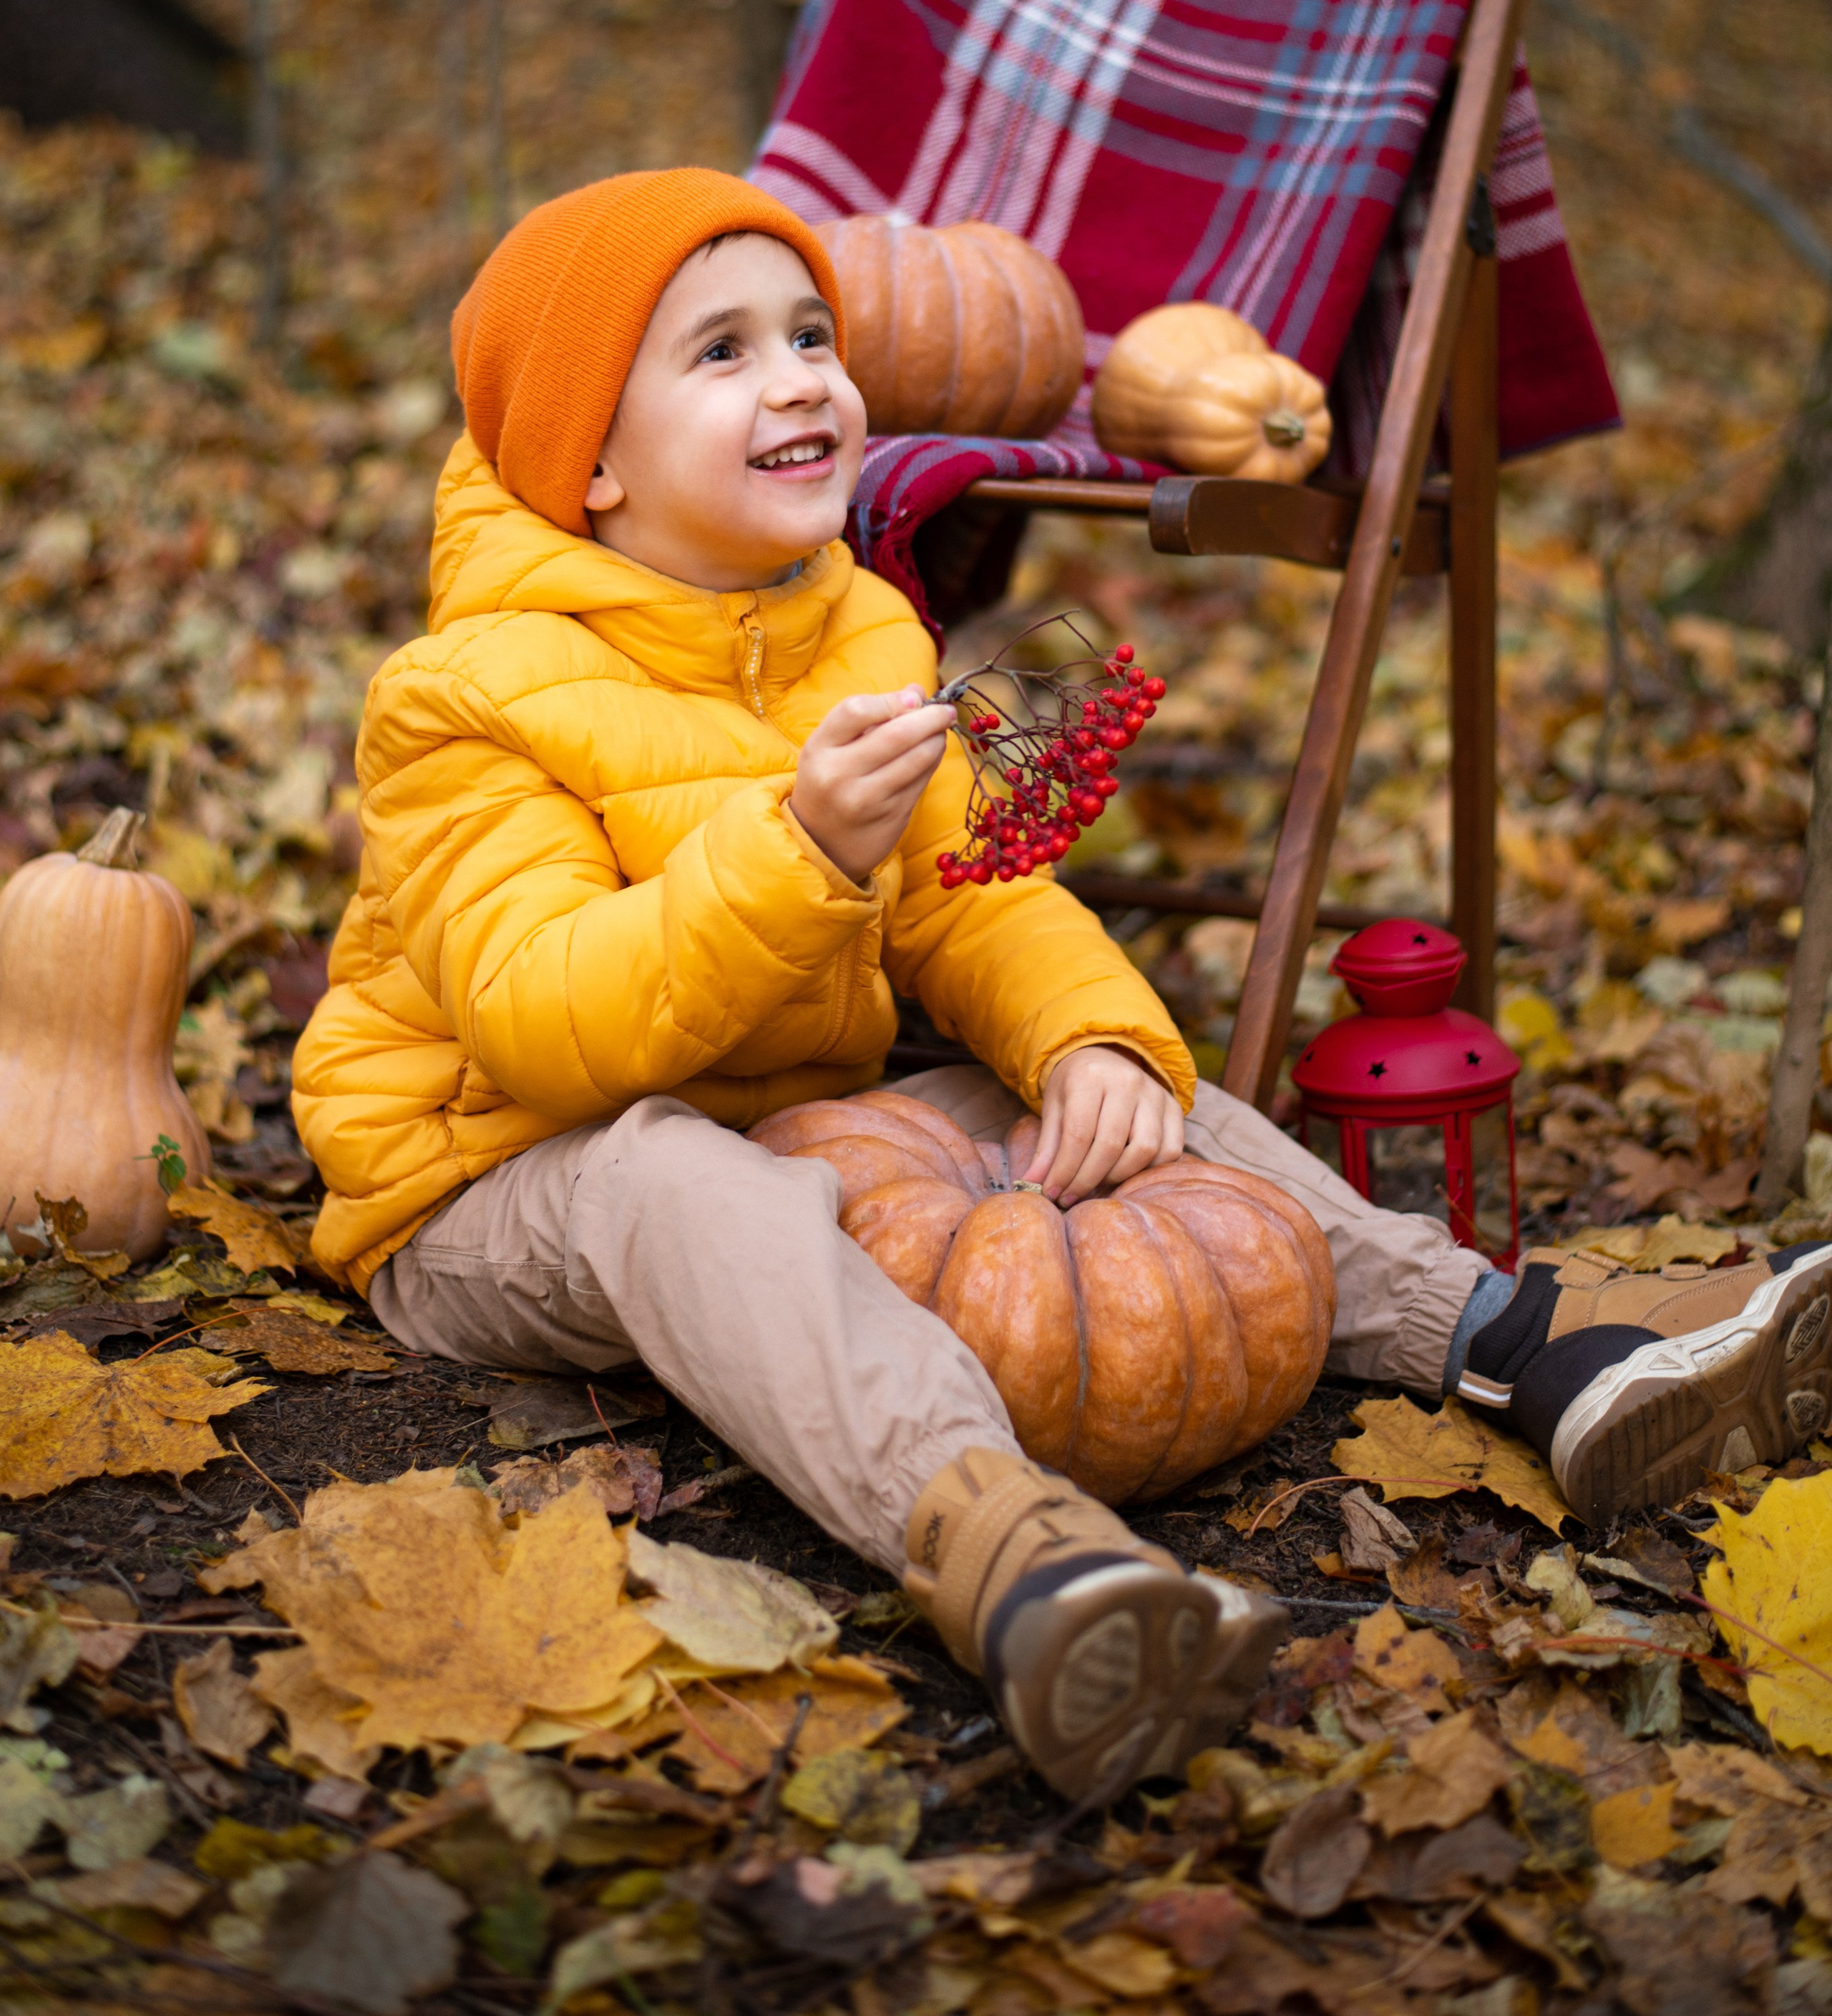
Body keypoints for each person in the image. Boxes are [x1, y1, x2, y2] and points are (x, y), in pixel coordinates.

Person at [293, 168, 1832, 1806]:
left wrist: (1089, 1036)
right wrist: (795, 849)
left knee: (1125, 1097)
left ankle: (1516, 1340)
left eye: (812, 333)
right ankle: (1010, 1556)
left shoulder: (854, 631)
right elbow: (547, 1021)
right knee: (666, 1175)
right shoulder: (464, 698)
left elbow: (975, 906)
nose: (803, 375)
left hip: (769, 1109)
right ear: (587, 459)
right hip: (495, 1176)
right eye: (723, 352)